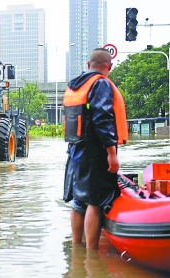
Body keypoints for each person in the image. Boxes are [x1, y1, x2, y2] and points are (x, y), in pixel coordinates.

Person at [62, 48, 128, 249]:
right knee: (94, 201)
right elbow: (103, 119)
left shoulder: (74, 86)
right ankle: (91, 253)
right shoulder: (100, 84)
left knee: (78, 201)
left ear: (88, 65)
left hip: (75, 149)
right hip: (95, 151)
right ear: (110, 67)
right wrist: (111, 154)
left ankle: (76, 248)